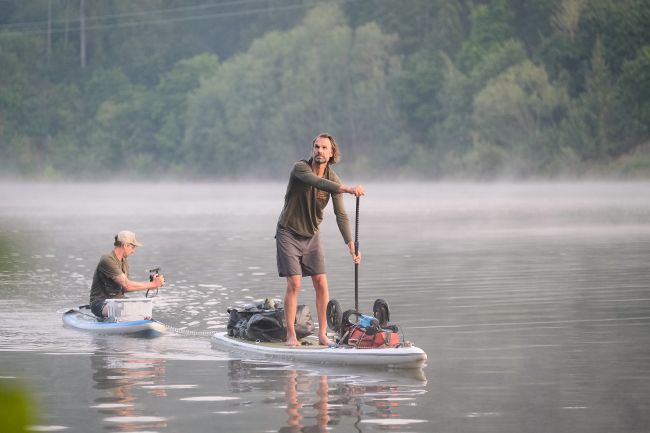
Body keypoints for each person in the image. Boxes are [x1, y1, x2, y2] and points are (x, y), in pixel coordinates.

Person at [276, 133, 365, 346]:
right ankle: (291, 335)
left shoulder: (334, 179)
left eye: (324, 148)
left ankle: (323, 335)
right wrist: (348, 189)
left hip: (312, 234)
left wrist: (351, 245)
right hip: (288, 232)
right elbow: (315, 181)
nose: (319, 151)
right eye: (316, 147)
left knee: (321, 282)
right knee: (295, 283)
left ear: (332, 153)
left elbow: (341, 214)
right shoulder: (301, 168)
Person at [89, 230, 165, 318]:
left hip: (119, 301)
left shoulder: (124, 261)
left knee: (144, 310)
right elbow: (127, 285)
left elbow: (125, 288)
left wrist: (151, 285)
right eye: (133, 247)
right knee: (125, 310)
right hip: (100, 302)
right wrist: (152, 284)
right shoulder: (107, 259)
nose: (133, 251)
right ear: (125, 245)